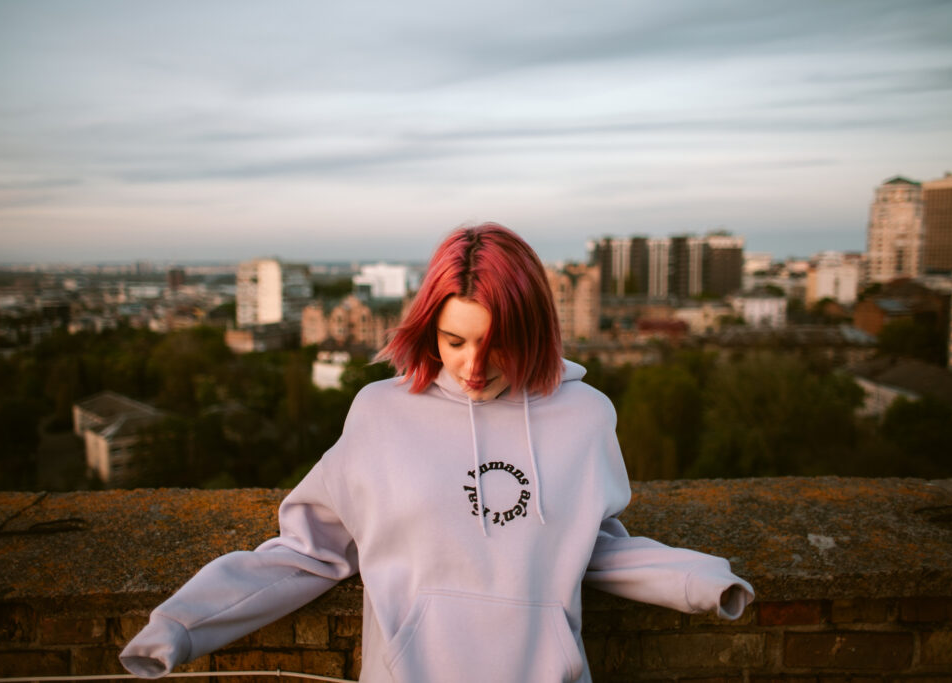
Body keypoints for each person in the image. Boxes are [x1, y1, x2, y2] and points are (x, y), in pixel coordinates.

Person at [120, 223, 754, 682]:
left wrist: (699, 581)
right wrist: (180, 626)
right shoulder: (381, 413)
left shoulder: (585, 416)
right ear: (429, 328)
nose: (472, 366)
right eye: (454, 340)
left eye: (497, 343)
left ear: (535, 331)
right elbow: (308, 553)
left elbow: (592, 546)